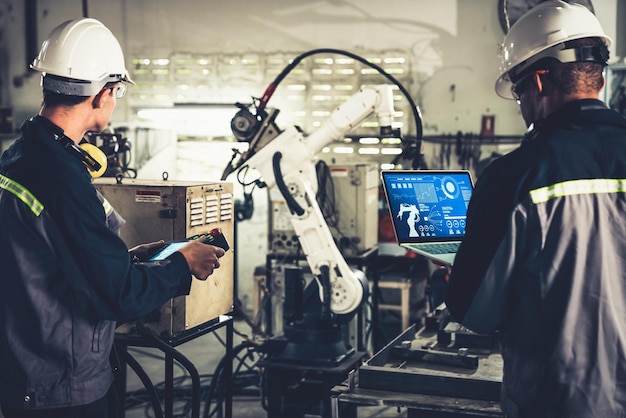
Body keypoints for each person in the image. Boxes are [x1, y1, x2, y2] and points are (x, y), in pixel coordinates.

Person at [0, 18, 225, 418]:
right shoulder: (63, 179)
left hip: (22, 372)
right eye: (118, 92)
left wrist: (130, 257)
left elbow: (49, 259)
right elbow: (119, 296)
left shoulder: (19, 158)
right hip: (61, 388)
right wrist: (183, 263)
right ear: (104, 94)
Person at [445, 2, 626, 417]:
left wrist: (457, 277)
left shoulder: (514, 176)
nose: (522, 107)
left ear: (539, 82)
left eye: (520, 92)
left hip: (557, 403)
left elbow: (475, 312)